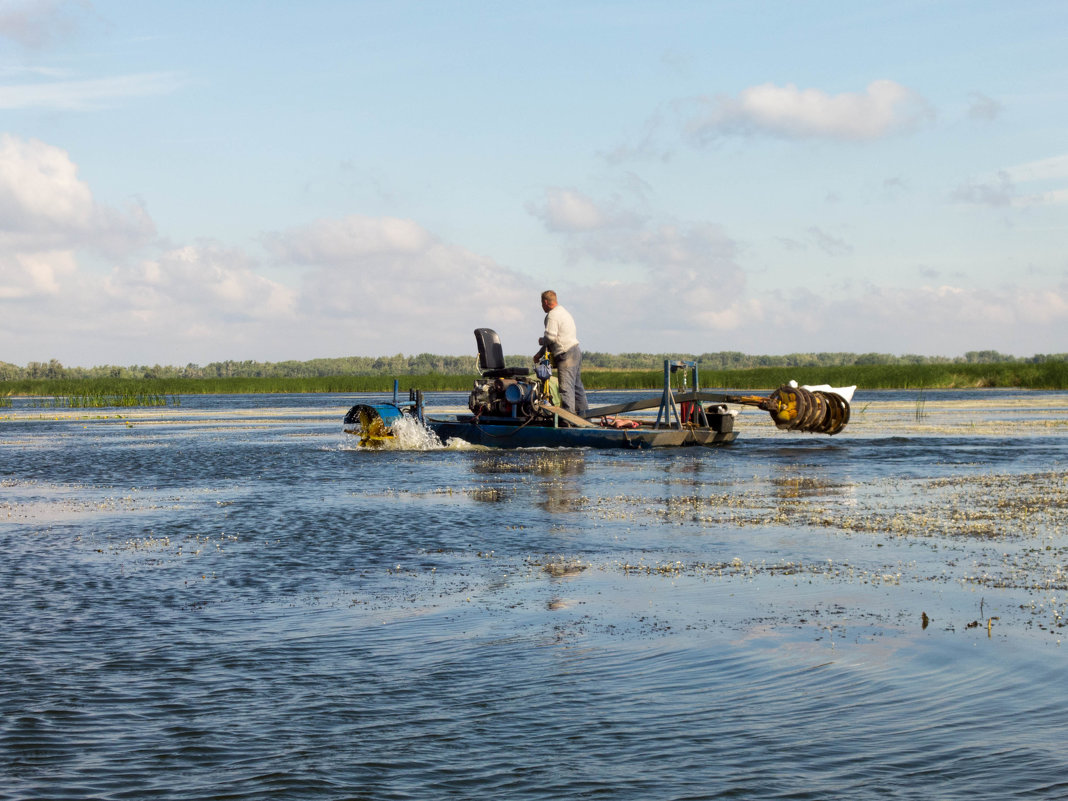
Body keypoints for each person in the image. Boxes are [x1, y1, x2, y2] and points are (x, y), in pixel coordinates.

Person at [535, 290, 587, 417]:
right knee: (577, 387)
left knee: (565, 388)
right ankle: (585, 417)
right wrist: (540, 353)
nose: (541, 306)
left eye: (542, 303)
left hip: (566, 355)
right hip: (575, 350)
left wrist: (542, 341)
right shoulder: (563, 312)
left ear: (546, 302)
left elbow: (550, 338)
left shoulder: (553, 315)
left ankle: (569, 419)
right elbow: (554, 339)